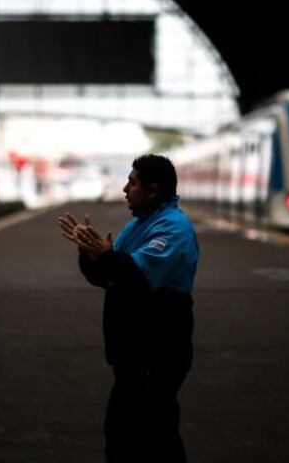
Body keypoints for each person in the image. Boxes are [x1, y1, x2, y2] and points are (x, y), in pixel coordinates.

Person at [58, 154, 199, 463]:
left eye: (132, 183)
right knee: (144, 437)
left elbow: (137, 278)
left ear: (152, 190)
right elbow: (108, 277)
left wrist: (106, 256)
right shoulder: (138, 226)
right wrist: (89, 252)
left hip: (157, 353)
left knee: (143, 438)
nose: (124, 189)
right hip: (135, 355)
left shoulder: (173, 229)